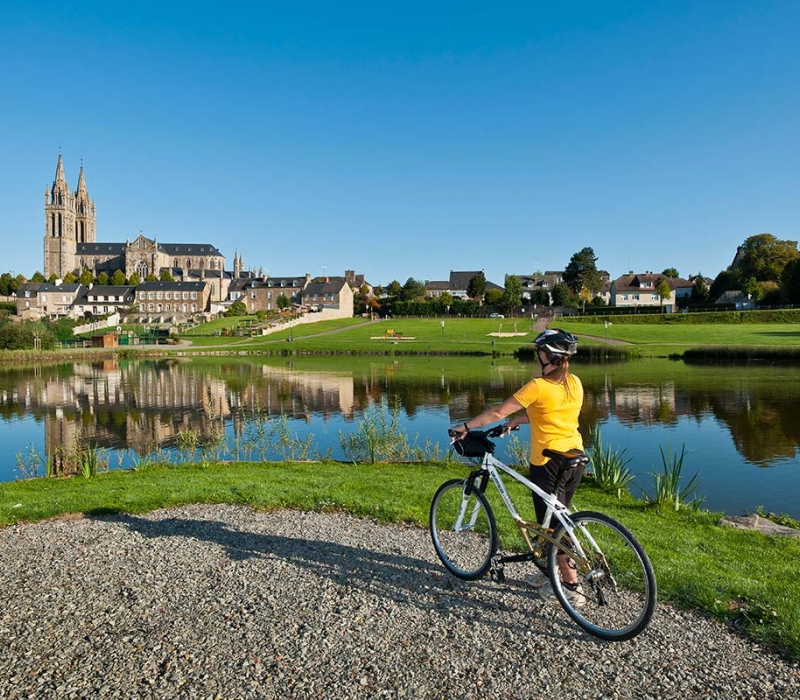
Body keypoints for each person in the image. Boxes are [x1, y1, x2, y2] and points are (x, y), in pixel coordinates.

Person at [450, 328, 586, 606]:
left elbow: (498, 411)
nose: (538, 355)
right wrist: (516, 422)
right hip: (574, 457)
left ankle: (571, 587)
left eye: (541, 351)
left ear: (548, 355)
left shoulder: (538, 385)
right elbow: (549, 411)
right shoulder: (574, 383)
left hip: (549, 463)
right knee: (553, 522)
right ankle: (551, 574)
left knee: (554, 528)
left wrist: (464, 426)